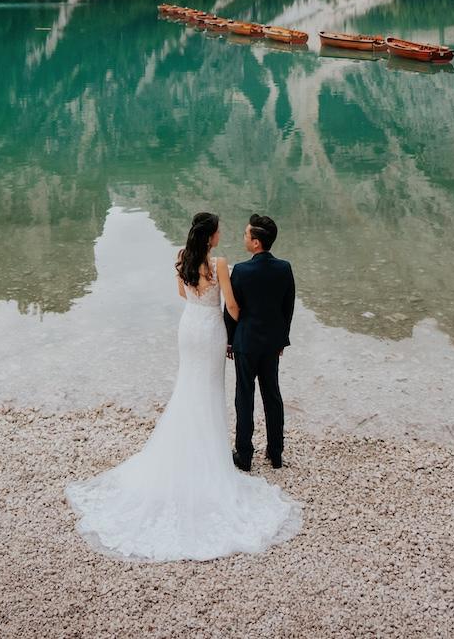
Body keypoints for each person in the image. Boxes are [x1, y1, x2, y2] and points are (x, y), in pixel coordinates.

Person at [65, 211, 301, 561]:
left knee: (190, 387)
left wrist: (235, 328)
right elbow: (232, 306)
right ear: (211, 236)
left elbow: (182, 292)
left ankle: (222, 450)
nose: (224, 234)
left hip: (189, 327)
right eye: (220, 230)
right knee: (215, 390)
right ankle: (238, 453)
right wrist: (246, 326)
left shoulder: (180, 257)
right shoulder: (222, 264)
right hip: (211, 331)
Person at [224, 214, 295, 471]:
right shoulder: (284, 268)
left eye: (246, 235)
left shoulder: (242, 270)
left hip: (246, 343)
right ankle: (275, 453)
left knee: (244, 397)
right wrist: (281, 342)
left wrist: (229, 341)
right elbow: (288, 308)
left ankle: (244, 455)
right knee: (272, 396)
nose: (244, 237)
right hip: (271, 345)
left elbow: (232, 309)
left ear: (256, 243)